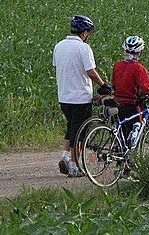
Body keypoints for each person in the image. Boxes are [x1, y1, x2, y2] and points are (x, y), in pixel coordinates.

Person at [52, 14, 110, 177]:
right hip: (80, 97)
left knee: (71, 127)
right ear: (84, 32)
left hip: (63, 96)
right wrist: (103, 85)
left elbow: (58, 67)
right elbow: (90, 71)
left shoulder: (59, 46)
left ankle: (64, 156)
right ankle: (74, 166)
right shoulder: (84, 48)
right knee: (80, 133)